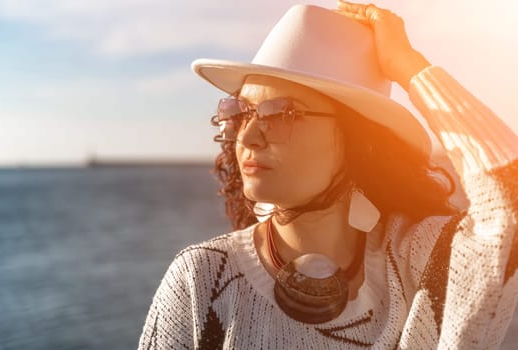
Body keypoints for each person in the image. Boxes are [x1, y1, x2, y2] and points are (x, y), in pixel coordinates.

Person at [139, 2, 518, 349]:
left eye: (282, 114)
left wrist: (409, 65)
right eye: (243, 113)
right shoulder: (205, 281)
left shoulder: (418, 267)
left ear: (360, 141)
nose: (248, 136)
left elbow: (510, 207)